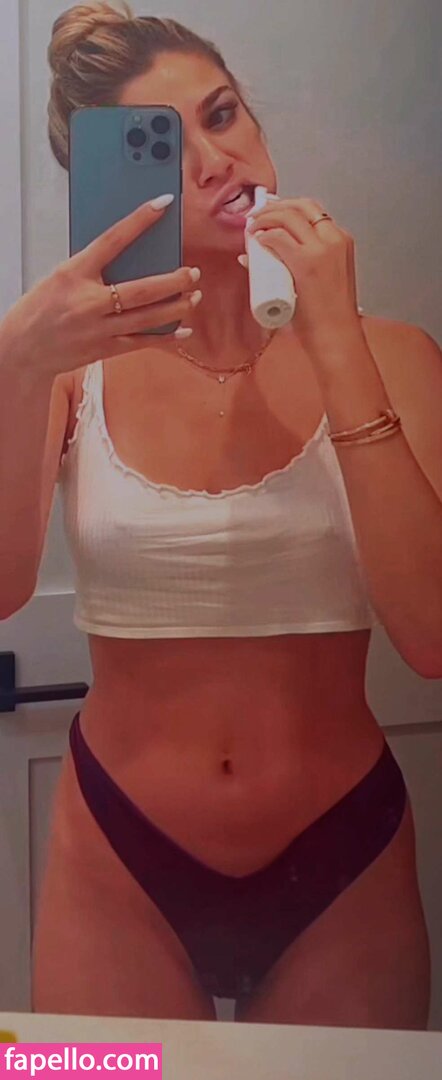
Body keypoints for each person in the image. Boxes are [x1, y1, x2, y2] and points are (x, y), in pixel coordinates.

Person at [0, 1, 441, 1027]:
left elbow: (432, 640)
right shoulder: (67, 374)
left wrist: (335, 341)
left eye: (223, 113)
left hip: (344, 859)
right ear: (113, 186)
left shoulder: (395, 353)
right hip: (114, 862)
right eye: (164, 145)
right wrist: (16, 364)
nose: (214, 161)